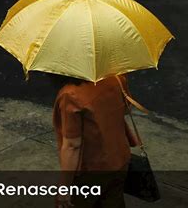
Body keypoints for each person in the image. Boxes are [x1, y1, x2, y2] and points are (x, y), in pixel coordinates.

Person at [51, 74, 139, 208]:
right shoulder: (116, 77)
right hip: (119, 158)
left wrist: (64, 187)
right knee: (113, 201)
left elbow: (72, 145)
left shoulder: (70, 95)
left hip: (91, 169)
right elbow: (126, 109)